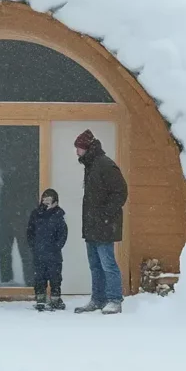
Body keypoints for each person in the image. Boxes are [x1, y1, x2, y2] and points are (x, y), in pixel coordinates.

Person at [72, 129, 128, 315]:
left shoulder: (105, 165)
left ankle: (114, 299)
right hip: (92, 225)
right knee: (95, 265)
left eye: (78, 148)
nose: (77, 152)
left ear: (87, 148)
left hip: (104, 224)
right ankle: (98, 299)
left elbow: (120, 192)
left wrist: (106, 215)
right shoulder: (91, 165)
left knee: (108, 264)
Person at [26, 188, 68, 311]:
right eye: (45, 200)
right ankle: (40, 298)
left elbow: (63, 234)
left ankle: (55, 298)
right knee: (39, 277)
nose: (46, 203)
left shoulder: (59, 214)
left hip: (54, 254)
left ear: (55, 202)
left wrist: (56, 246)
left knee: (55, 277)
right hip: (38, 253)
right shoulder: (36, 214)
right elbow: (30, 231)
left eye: (50, 200)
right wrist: (33, 245)